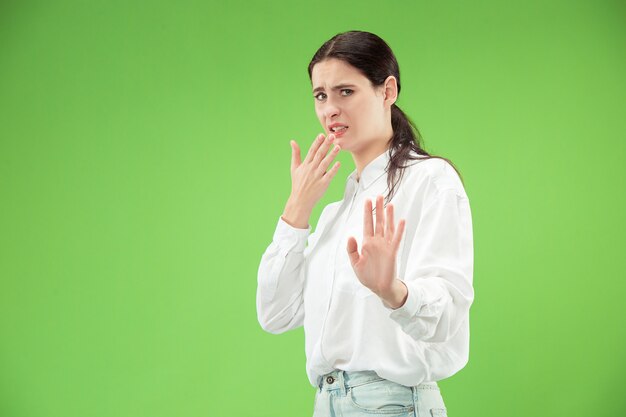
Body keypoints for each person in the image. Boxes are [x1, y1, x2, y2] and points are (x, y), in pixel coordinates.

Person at [256, 30, 474, 417]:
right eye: (320, 95)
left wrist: (393, 291)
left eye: (345, 91)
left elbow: (448, 315)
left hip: (393, 404)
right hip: (327, 402)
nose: (329, 110)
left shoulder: (430, 180)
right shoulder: (332, 215)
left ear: (387, 91)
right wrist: (297, 209)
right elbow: (275, 314)